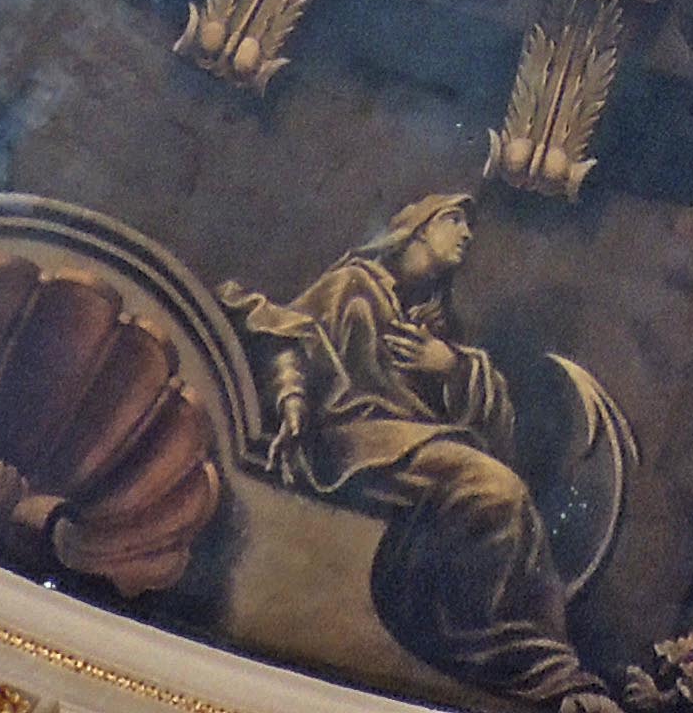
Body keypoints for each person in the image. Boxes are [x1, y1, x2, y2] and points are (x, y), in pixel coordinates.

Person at [233, 198, 619, 713]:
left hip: (406, 443)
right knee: (495, 490)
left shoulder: (436, 322)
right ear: (415, 230)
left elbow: (490, 423)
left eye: (470, 224)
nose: (467, 233)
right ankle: (518, 659)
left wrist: (453, 367)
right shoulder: (353, 285)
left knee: (506, 496)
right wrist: (293, 403)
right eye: (453, 220)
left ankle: (535, 658)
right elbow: (285, 334)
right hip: (351, 440)